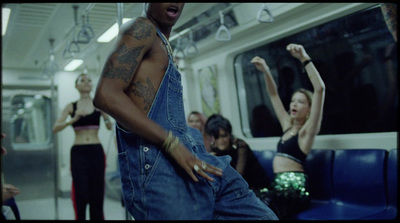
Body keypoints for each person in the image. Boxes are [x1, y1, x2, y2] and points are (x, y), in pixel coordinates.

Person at [93, 3, 278, 220]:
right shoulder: (142, 29)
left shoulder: (163, 44)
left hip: (195, 158)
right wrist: (172, 143)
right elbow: (106, 95)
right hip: (160, 168)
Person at [251, 43, 325, 220]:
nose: (294, 104)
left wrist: (304, 58)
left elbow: (320, 89)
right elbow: (274, 95)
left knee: (261, 208)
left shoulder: (307, 132)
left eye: (300, 102)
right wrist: (266, 71)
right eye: (293, 100)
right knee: (247, 198)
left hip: (294, 189)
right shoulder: (287, 126)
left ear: (309, 110)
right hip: (278, 187)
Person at [52, 73, 112, 220]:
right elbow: (55, 128)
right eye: (82, 80)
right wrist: (73, 119)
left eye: (89, 80)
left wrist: (105, 115)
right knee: (81, 193)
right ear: (76, 86)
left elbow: (110, 127)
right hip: (79, 152)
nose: (86, 83)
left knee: (97, 194)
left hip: (96, 150)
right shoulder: (71, 106)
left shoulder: (98, 104)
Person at [205, 114, 270, 193]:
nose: (221, 140)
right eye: (217, 137)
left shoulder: (241, 147)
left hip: (255, 189)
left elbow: (238, 178)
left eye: (224, 136)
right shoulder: (215, 151)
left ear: (229, 135)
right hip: (235, 190)